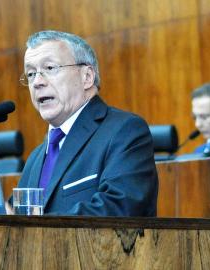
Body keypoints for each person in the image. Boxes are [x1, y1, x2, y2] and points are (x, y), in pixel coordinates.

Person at [10, 30, 158, 216]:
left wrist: (39, 227)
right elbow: (17, 221)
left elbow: (118, 209)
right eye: (31, 74)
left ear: (87, 76)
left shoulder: (125, 132)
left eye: (50, 68)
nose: (37, 82)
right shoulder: (35, 157)